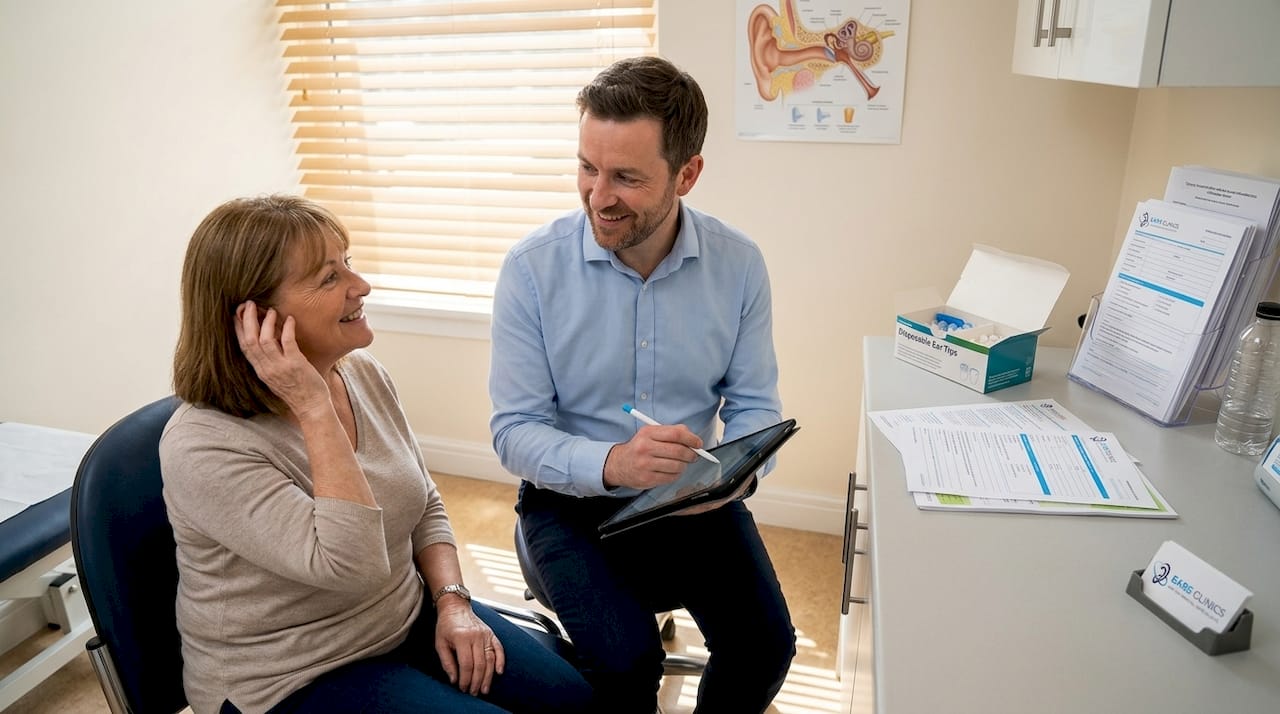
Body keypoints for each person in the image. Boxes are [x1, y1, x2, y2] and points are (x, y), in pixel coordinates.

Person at [161, 195, 593, 714]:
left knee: (576, 701)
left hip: (400, 619)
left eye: (348, 261)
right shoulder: (204, 445)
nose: (359, 285)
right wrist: (314, 407)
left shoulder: (360, 373)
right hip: (290, 676)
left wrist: (453, 602)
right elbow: (352, 566)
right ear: (253, 319)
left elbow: (423, 502)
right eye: (328, 278)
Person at [489, 56, 796, 713]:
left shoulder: (738, 266)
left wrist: (735, 473)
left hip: (692, 496)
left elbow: (753, 405)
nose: (599, 195)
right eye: (587, 167)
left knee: (766, 646)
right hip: (566, 501)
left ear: (687, 173)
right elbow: (513, 432)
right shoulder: (531, 271)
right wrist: (616, 463)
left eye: (626, 176)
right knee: (627, 665)